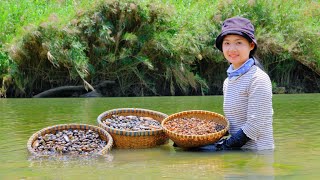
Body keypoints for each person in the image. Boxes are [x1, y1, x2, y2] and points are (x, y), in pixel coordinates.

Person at [198, 16, 274, 151]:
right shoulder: (228, 81)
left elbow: (254, 126)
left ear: (251, 45)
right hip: (238, 153)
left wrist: (225, 146)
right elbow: (234, 123)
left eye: (238, 43)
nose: (231, 49)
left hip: (257, 156)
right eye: (227, 43)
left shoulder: (258, 78)